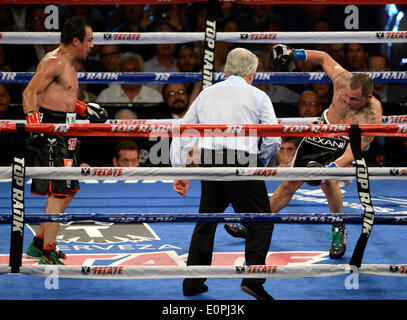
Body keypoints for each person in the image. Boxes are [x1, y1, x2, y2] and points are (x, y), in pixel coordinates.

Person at [170, 48, 281, 300]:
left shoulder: (207, 93)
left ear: (225, 71)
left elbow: (183, 130)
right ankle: (253, 280)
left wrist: (179, 170)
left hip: (211, 162)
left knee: (206, 222)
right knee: (261, 220)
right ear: (252, 73)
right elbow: (274, 139)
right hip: (243, 161)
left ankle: (192, 283)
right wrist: (261, 159)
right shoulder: (258, 96)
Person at [268, 44, 382, 259]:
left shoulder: (372, 113)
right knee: (291, 181)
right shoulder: (342, 79)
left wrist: (330, 168)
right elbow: (322, 57)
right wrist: (293, 53)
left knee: (328, 183)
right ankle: (257, 221)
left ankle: (338, 229)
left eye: (354, 99)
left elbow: (354, 150)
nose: (348, 101)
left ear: (367, 98)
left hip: (344, 143)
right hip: (322, 129)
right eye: (346, 96)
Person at [23, 17, 108, 264]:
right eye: (89, 40)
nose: (92, 45)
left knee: (69, 189)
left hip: (68, 130)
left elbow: (61, 96)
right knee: (58, 192)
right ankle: (48, 251)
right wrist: (34, 125)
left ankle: (39, 243)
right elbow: (29, 92)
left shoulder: (68, 64)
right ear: (75, 41)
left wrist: (84, 109)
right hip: (52, 133)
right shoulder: (54, 62)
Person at [224, 137, 299, 239]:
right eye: (282, 149)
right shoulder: (271, 157)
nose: (285, 154)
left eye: (289, 149)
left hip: (327, 138)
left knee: (328, 180)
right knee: (290, 184)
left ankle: (255, 223)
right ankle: (254, 223)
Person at [96, 52, 163, 104]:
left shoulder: (155, 97)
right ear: (119, 73)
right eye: (126, 71)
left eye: (134, 70)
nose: (130, 74)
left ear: (141, 72)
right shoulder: (105, 96)